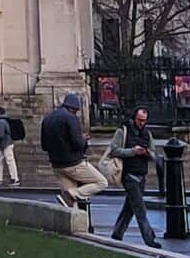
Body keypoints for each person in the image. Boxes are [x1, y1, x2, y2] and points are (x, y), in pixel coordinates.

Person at [39, 92, 108, 209]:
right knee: (101, 182)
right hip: (74, 163)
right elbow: (77, 144)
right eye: (76, 111)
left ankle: (71, 200)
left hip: (57, 165)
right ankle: (72, 193)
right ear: (73, 108)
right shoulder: (71, 118)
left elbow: (44, 146)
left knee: (71, 206)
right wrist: (83, 139)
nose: (76, 113)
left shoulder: (47, 119)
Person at [106, 107, 160, 248]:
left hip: (141, 174)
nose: (142, 123)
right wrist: (133, 151)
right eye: (139, 120)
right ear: (134, 118)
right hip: (128, 174)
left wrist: (147, 153)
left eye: (144, 121)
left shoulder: (147, 133)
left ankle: (117, 233)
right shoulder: (123, 131)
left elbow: (154, 153)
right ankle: (149, 239)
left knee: (130, 207)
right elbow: (114, 150)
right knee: (140, 209)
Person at [0, 106, 19, 185]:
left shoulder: (1, 122)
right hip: (4, 143)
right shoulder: (4, 120)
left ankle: (14, 178)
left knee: (9, 161)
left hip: (6, 143)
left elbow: (0, 134)